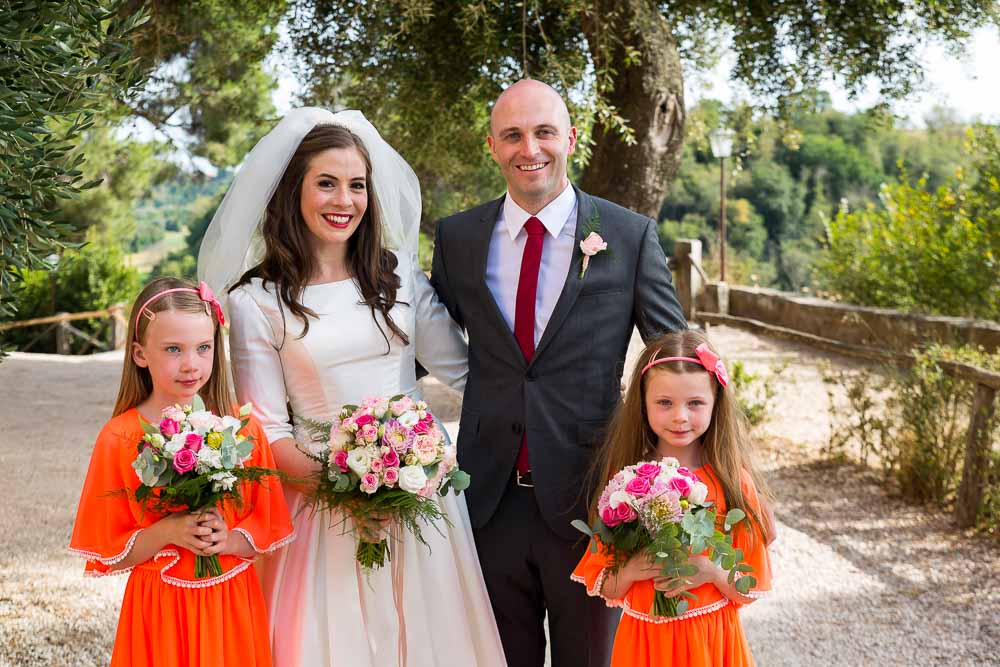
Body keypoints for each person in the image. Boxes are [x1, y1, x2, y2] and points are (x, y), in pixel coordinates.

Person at [198, 108, 506, 666]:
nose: (345, 200)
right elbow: (267, 430)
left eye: (357, 185)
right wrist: (350, 493)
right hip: (321, 512)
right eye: (326, 183)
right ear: (294, 192)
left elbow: (469, 376)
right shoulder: (256, 302)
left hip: (421, 499)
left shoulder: (400, 280)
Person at [430, 78, 688, 666]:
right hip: (487, 500)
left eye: (544, 132)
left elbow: (673, 360)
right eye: (513, 135)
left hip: (592, 501)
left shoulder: (627, 234)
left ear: (570, 138)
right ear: (491, 146)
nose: (531, 148)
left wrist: (684, 481)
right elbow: (417, 343)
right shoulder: (458, 237)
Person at [68, 277, 295, 667]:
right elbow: (108, 555)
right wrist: (167, 532)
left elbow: (267, 529)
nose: (191, 364)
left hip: (232, 605)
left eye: (203, 348)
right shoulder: (119, 437)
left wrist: (227, 539)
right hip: (160, 609)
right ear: (140, 354)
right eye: (173, 349)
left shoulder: (242, 429)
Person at [573, 329, 774, 666]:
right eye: (664, 403)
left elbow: (748, 589)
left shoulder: (732, 483)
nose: (680, 416)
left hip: (710, 642)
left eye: (695, 403)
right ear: (643, 403)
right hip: (643, 646)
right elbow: (605, 585)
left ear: (715, 404)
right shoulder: (627, 483)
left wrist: (711, 571)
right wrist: (633, 570)